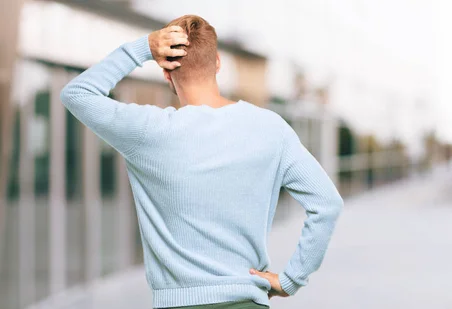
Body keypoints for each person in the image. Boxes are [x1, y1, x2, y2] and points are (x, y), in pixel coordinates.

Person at [60, 15, 343, 309]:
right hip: (248, 301)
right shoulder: (272, 128)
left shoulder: (149, 130)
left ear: (166, 74)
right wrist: (291, 280)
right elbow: (327, 203)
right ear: (218, 63)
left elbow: (77, 94)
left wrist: (144, 48)